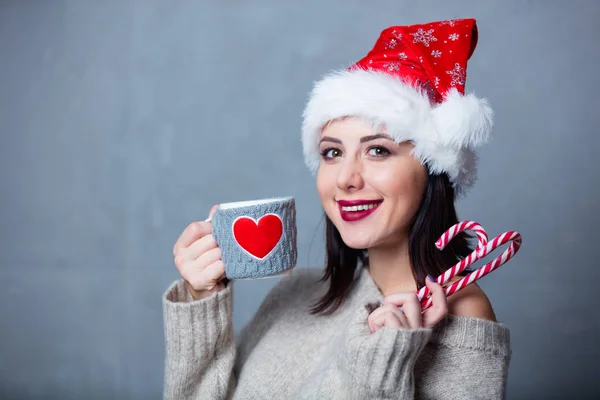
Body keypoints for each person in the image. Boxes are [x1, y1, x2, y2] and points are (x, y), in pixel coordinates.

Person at [163, 18, 511, 399]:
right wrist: (202, 304)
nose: (346, 178)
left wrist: (382, 366)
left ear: (433, 170)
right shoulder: (295, 292)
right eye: (332, 152)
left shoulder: (462, 314)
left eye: (378, 150)